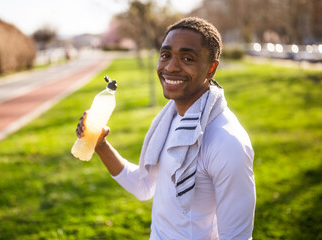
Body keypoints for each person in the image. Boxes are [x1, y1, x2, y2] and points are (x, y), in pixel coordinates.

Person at [76, 17, 256, 240]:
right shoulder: (169, 119)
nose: (170, 67)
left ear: (211, 68)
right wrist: (100, 144)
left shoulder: (226, 142)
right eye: (165, 55)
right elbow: (144, 186)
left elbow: (237, 237)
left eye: (187, 58)